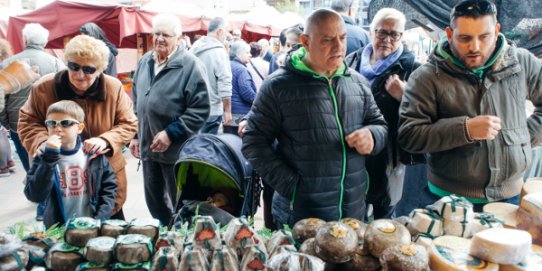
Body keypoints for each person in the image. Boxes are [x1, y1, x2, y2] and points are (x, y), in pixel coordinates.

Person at [242, 9, 388, 227]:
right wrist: (293, 188)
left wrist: (373, 136)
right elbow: (253, 143)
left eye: (342, 38)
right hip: (302, 217)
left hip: (352, 214)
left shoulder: (358, 82)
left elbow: (380, 125)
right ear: (306, 42)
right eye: (328, 40)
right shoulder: (278, 87)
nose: (339, 47)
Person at [398, 0, 542, 211]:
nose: (474, 47)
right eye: (465, 38)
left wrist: (521, 139)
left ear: (497, 30)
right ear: (449, 34)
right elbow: (409, 136)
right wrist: (465, 130)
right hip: (447, 201)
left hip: (509, 199)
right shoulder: (426, 77)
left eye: (484, 37)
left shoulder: (524, 62)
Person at [18, 35, 137, 220]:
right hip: (60, 180)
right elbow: (27, 121)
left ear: (99, 70)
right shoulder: (44, 87)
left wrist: (105, 140)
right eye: (74, 66)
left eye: (89, 69)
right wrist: (42, 141)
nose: (80, 75)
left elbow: (129, 122)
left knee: (108, 238)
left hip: (104, 179)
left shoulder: (113, 87)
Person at [129, 14, 210, 225]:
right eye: (156, 33)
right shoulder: (145, 61)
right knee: (154, 201)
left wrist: (170, 133)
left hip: (176, 151)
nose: (159, 39)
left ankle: (182, 241)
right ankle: (166, 235)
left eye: (166, 34)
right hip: (149, 149)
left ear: (178, 37)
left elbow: (201, 109)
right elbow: (137, 100)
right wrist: (136, 135)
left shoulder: (190, 65)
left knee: (182, 203)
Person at [345, 8, 424, 219]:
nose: (387, 39)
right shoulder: (350, 62)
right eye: (382, 32)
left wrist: (405, 97)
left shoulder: (413, 70)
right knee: (352, 218)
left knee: (384, 222)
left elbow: (427, 115)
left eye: (394, 34)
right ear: (371, 32)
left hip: (389, 158)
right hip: (354, 153)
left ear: (401, 37)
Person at [24, 100, 117, 229]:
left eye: (65, 123)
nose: (57, 129)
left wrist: (100, 219)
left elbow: (109, 189)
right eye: (51, 123)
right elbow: (34, 195)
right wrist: (49, 158)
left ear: (79, 128)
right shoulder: (42, 157)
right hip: (58, 228)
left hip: (92, 225)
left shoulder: (93, 155)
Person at [1, 23, 66, 174]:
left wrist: (7, 121)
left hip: (17, 122)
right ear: (44, 42)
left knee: (28, 163)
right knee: (50, 159)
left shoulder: (7, 63)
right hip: (48, 120)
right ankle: (47, 191)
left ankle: (36, 188)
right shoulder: (56, 63)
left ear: (25, 40)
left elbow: (2, 96)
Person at [189, 17, 233, 135]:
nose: (227, 35)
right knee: (207, 148)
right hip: (212, 110)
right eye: (226, 31)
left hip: (192, 108)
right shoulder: (219, 52)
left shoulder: (193, 48)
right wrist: (228, 111)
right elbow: (225, 82)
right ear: (219, 32)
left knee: (194, 146)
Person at [230, 40, 257, 125]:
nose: (250, 55)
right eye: (247, 52)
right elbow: (247, 93)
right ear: (239, 54)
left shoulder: (228, 65)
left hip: (229, 111)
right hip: (241, 114)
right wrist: (259, 99)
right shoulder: (242, 70)